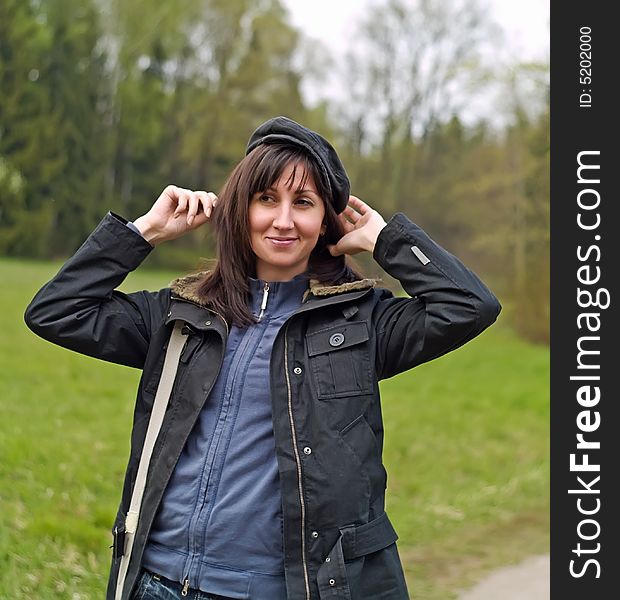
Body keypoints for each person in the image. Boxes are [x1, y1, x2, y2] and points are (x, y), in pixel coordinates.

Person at [24, 116, 501, 600]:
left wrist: (387, 242)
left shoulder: (363, 324)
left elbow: (470, 306)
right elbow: (56, 311)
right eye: (266, 198)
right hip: (157, 582)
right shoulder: (180, 314)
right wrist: (143, 232)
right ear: (241, 208)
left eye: (304, 203)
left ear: (326, 221)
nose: (284, 220)